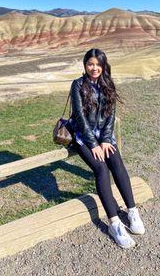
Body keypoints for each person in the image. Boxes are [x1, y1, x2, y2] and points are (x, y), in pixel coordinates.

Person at [67, 48, 145, 249]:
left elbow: (111, 114)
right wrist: (93, 144)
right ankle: (115, 224)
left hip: (104, 136)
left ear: (103, 66)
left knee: (116, 163)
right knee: (101, 169)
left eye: (98, 64)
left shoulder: (108, 84)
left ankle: (132, 210)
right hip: (83, 136)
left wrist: (106, 140)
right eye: (90, 64)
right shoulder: (78, 85)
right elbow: (79, 118)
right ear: (85, 65)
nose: (94, 68)